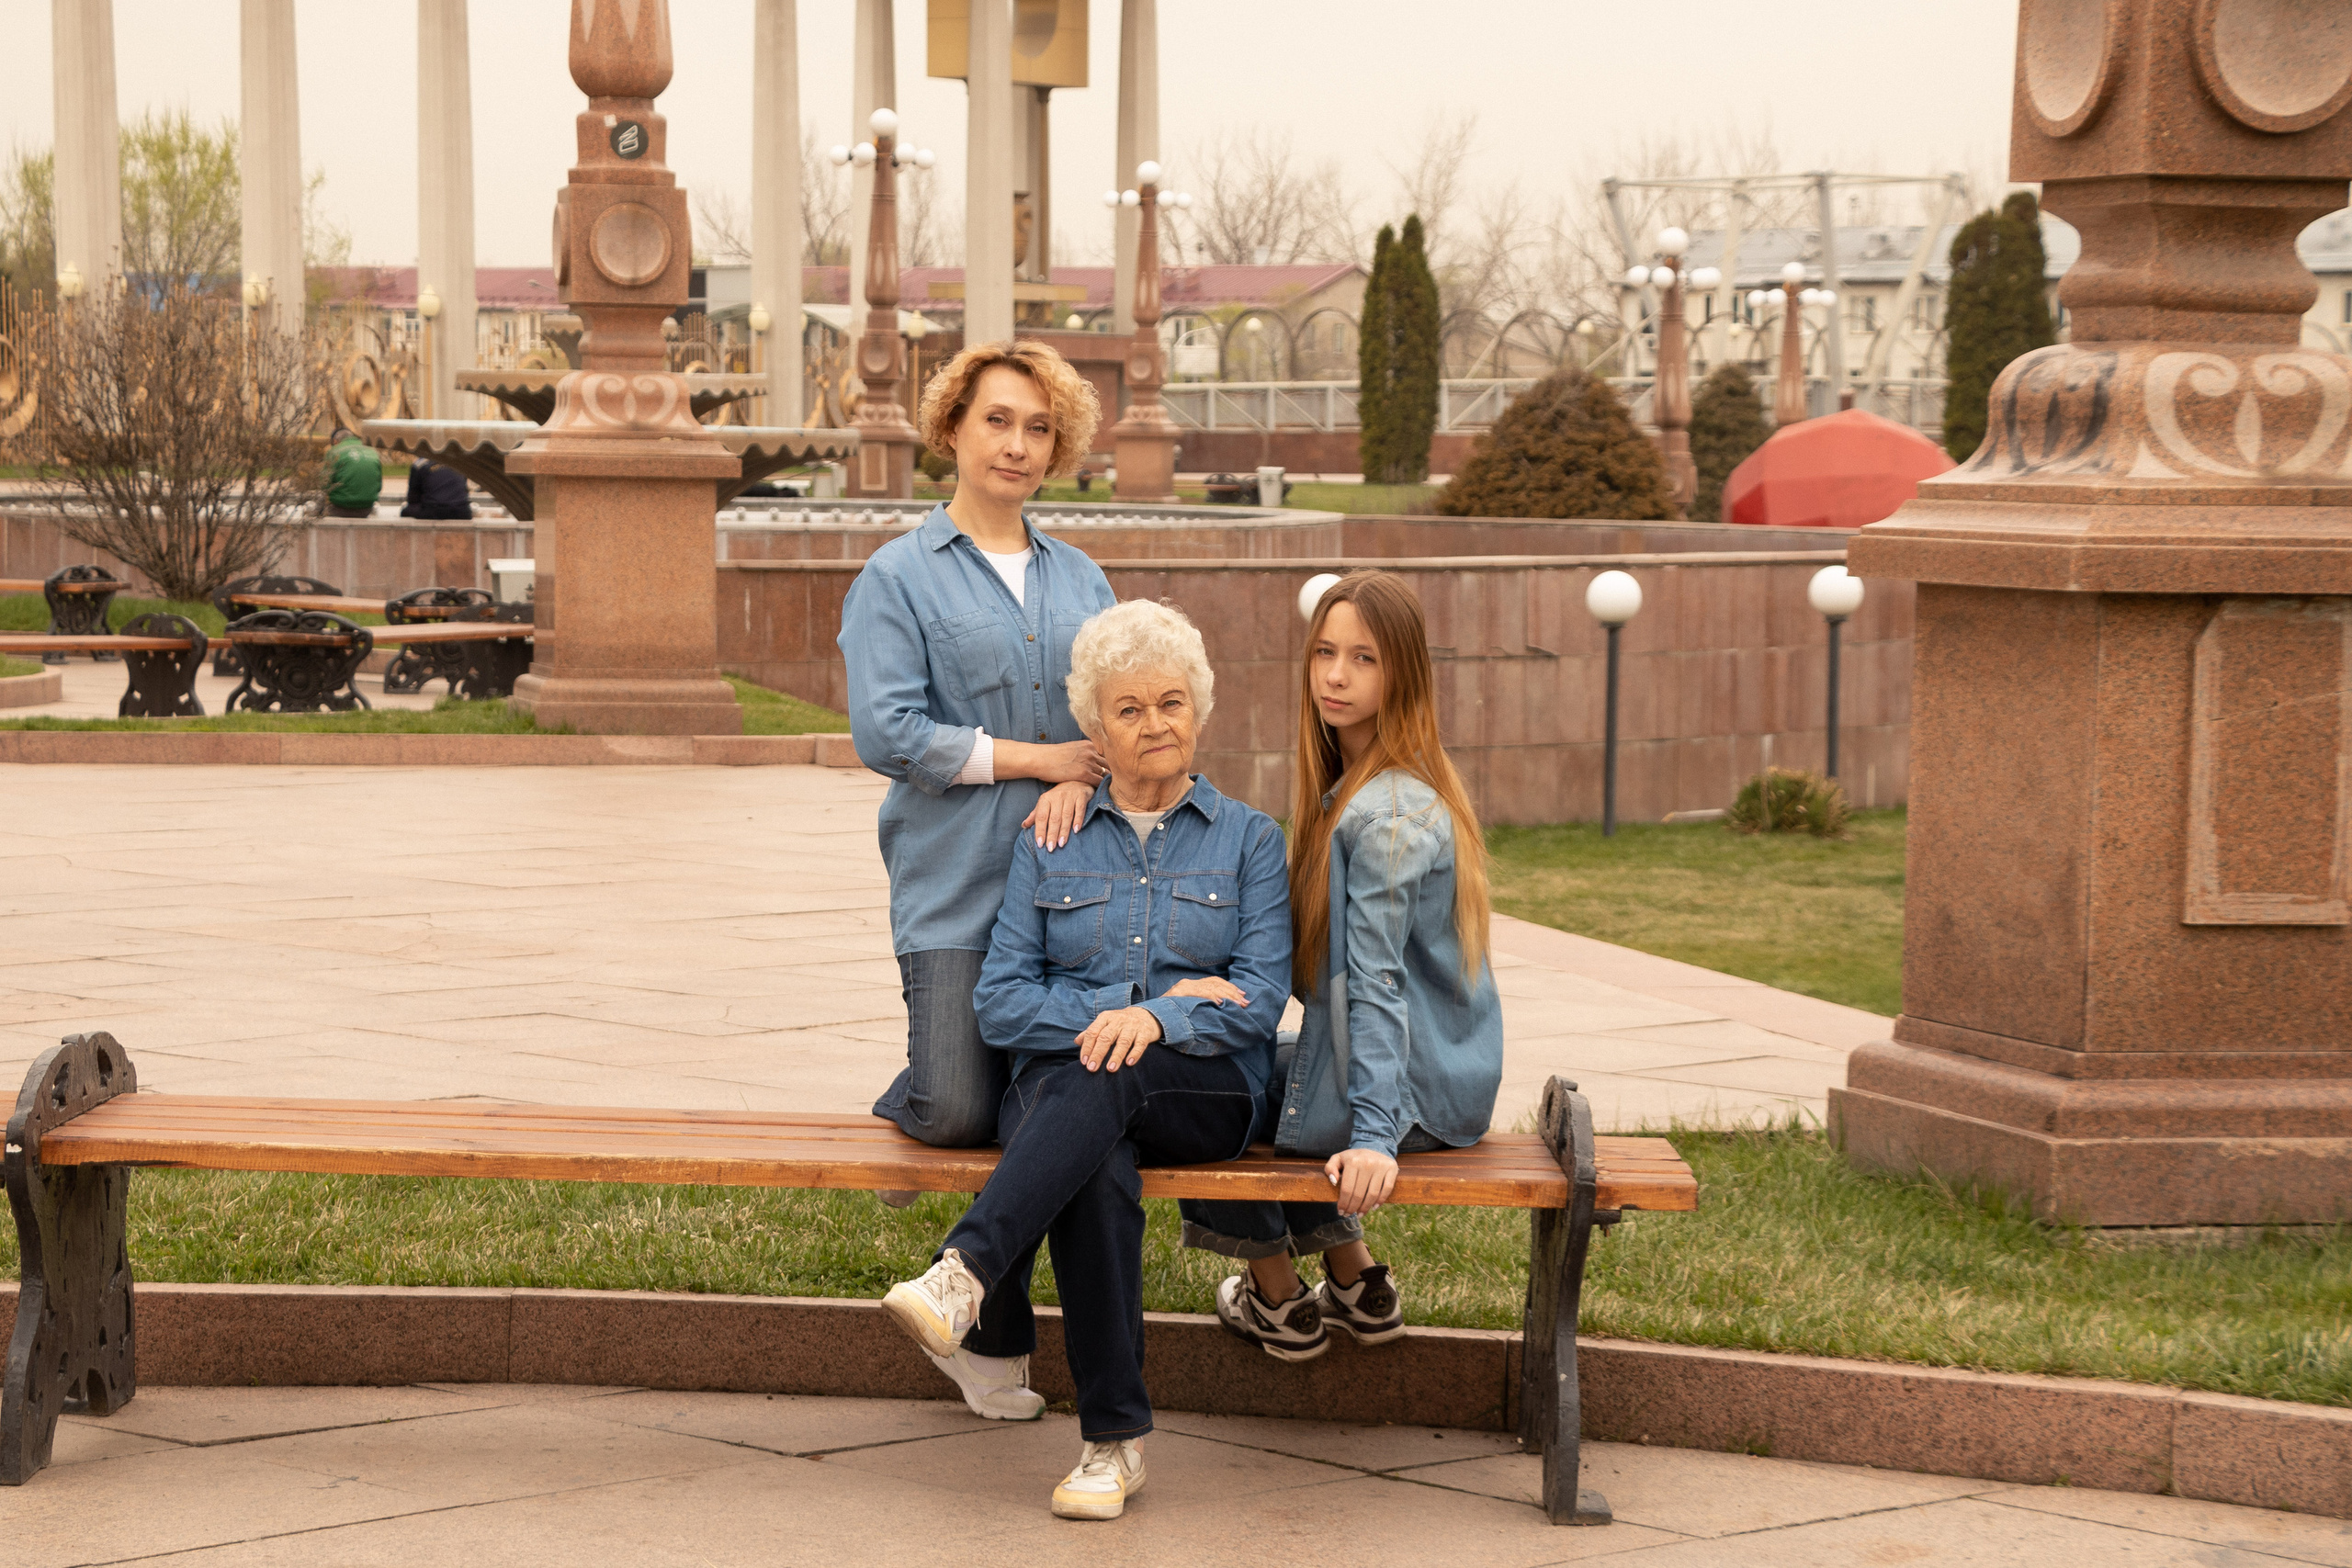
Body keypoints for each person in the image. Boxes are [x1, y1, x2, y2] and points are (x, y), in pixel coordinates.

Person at [881, 600, 1290, 1522]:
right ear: (1094, 728)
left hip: (1207, 1089)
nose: (1157, 725)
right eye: (1131, 710)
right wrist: (1139, 1008)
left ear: (1202, 709)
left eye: (1173, 703)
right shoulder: (1050, 836)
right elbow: (1000, 1000)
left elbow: (1259, 1002)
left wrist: (1161, 1028)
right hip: (1068, 1087)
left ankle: (965, 1272)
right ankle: (1112, 1444)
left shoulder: (1251, 840)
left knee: (1118, 1068)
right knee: (1095, 1161)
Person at [839, 341, 1113, 1416]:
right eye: (996, 420)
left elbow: (1116, 721)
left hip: (1074, 900)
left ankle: (989, 1344)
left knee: (1048, 1112)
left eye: (1038, 428)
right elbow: (888, 731)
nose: (1016, 445)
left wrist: (1086, 779)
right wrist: (1036, 759)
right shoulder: (897, 576)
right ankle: (923, 1069)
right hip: (956, 888)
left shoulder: (1082, 577)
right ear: (951, 427)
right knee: (959, 1108)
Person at [1178, 569, 1503, 1362]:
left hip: (1410, 1091)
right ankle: (1357, 1281)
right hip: (1441, 1073)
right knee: (1239, 1064)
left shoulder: (1385, 816)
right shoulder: (1357, 790)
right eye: (1325, 652)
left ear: (1403, 675)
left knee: (1189, 1100)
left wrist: (1375, 1138)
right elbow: (1327, 974)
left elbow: (1378, 986)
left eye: (1363, 658)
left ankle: (1278, 1295)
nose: (1335, 675)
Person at [323, 428, 381, 518]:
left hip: (340, 507)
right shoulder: (372, 451)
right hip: (367, 508)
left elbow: (324, 483)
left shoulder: (334, 452)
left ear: (335, 441)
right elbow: (379, 486)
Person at [400, 457, 473, 520]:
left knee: (406, 510)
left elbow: (413, 498)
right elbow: (464, 489)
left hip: (432, 511)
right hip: (462, 512)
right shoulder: (460, 462)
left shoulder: (420, 464)